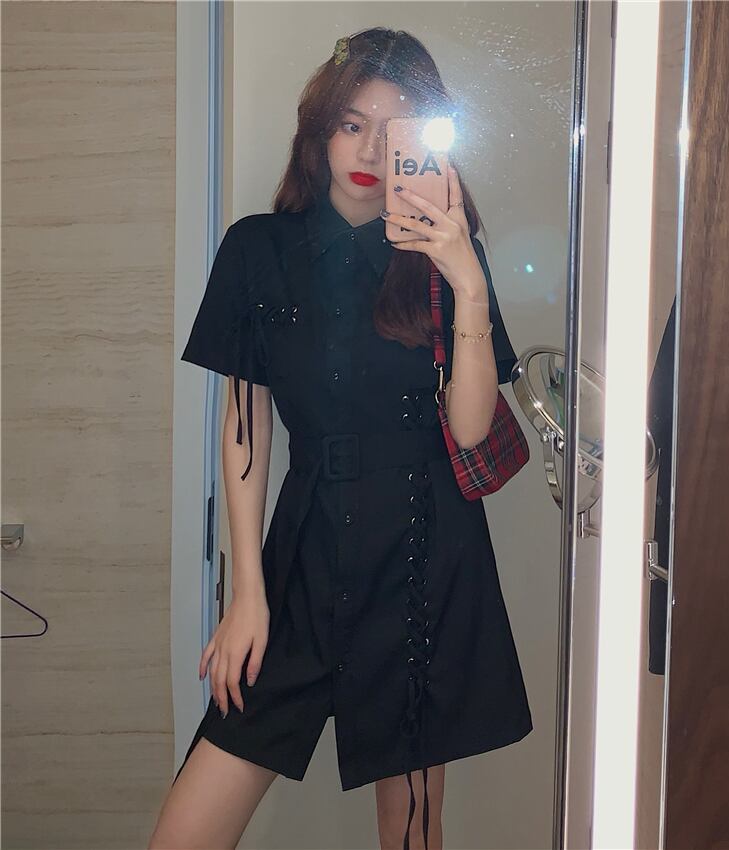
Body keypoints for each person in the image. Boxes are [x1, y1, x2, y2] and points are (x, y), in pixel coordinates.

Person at [149, 27, 532, 850]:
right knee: (185, 832)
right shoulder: (257, 249)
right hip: (304, 551)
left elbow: (470, 427)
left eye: (394, 133)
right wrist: (246, 594)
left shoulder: (444, 262)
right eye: (351, 124)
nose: (368, 151)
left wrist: (466, 279)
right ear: (318, 131)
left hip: (425, 557)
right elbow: (245, 430)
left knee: (411, 832)